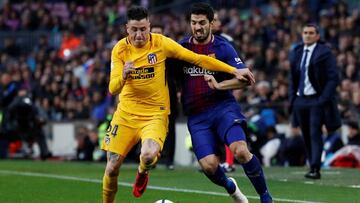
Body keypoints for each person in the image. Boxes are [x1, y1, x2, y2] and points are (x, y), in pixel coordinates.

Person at [101, 5, 255, 203]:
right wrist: (123, 75)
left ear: (149, 26)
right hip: (126, 114)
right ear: (126, 29)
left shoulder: (162, 44)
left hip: (155, 114)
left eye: (143, 29)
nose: (139, 34)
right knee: (112, 167)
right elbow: (113, 88)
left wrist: (233, 70)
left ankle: (143, 171)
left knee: (147, 156)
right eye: (134, 30)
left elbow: (198, 59)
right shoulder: (120, 50)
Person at [176, 3, 272, 203]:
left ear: (212, 23)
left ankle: (265, 197)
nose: (198, 27)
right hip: (197, 117)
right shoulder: (182, 48)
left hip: (223, 109)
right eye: (194, 23)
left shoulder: (223, 47)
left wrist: (219, 85)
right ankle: (231, 187)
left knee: (240, 151)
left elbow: (245, 79)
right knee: (210, 166)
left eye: (202, 22)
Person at [289, 23, 341, 179]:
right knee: (305, 134)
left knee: (314, 133)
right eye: (305, 32)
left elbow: (333, 77)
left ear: (318, 36)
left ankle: (315, 167)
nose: (307, 35)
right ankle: (312, 163)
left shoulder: (325, 52)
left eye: (311, 33)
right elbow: (293, 77)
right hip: (300, 100)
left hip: (316, 100)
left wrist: (322, 99)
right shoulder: (297, 52)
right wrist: (292, 99)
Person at [151, 24, 178, 170]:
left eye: (159, 32)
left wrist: (179, 91)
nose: (156, 35)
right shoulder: (144, 50)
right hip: (152, 96)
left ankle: (169, 160)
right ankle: (153, 157)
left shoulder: (169, 50)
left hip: (169, 94)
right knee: (152, 126)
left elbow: (178, 73)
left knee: (170, 126)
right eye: (154, 32)